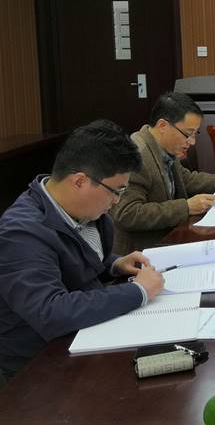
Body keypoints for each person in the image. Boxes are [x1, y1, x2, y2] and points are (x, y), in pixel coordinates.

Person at [0, 120, 165, 386]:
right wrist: (138, 291)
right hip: (38, 367)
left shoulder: (80, 209)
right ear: (80, 181)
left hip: (83, 337)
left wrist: (113, 264)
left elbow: (74, 262)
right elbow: (50, 312)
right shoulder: (21, 233)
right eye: (116, 191)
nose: (117, 201)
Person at [110, 92, 215, 254]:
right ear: (163, 125)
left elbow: (187, 179)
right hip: (142, 252)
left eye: (195, 134)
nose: (192, 142)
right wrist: (186, 207)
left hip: (170, 237)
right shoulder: (137, 156)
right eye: (188, 134)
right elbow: (127, 214)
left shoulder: (163, 147)